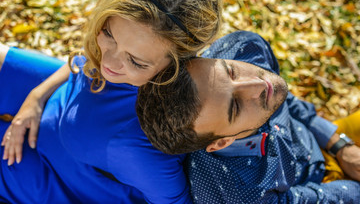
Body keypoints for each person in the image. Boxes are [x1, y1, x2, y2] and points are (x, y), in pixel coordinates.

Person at [0, 0, 223, 203]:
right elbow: (85, 60)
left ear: (176, 68)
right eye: (108, 34)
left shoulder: (139, 145)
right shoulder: (118, 61)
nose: (108, 61)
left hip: (48, 171)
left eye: (135, 61)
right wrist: (36, 97)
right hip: (60, 92)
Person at [137, 31, 360, 203]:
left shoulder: (243, 48)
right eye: (236, 105)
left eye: (231, 72)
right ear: (221, 142)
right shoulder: (238, 192)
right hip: (320, 187)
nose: (259, 84)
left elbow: (285, 99)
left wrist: (338, 144)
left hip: (317, 134)